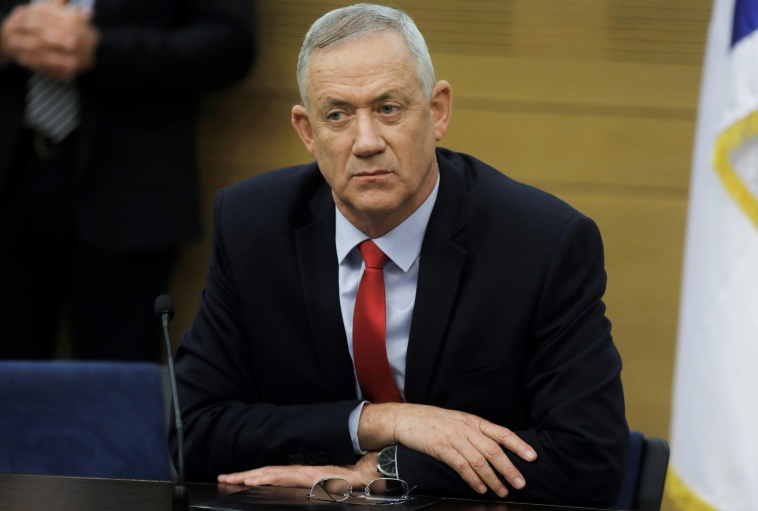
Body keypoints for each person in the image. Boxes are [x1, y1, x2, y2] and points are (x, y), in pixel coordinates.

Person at [172, 3, 628, 507]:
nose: (366, 142)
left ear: (438, 112)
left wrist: (387, 469)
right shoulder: (253, 227)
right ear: (307, 132)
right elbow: (191, 430)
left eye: (388, 108)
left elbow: (589, 460)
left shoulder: (540, 245)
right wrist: (381, 421)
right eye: (337, 115)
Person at [0, 0, 255, 360]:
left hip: (132, 188)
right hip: (4, 181)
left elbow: (230, 44)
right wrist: (1, 34)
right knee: (3, 380)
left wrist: (103, 49)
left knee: (118, 381)